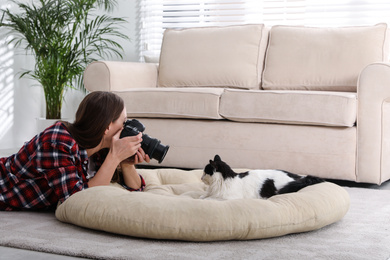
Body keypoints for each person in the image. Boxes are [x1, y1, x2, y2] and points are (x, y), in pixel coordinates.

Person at [0, 91, 150, 211]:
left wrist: (125, 163)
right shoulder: (57, 141)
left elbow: (136, 188)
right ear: (107, 127)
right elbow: (78, 201)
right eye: (123, 122)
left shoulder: (100, 149)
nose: (126, 128)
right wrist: (115, 157)